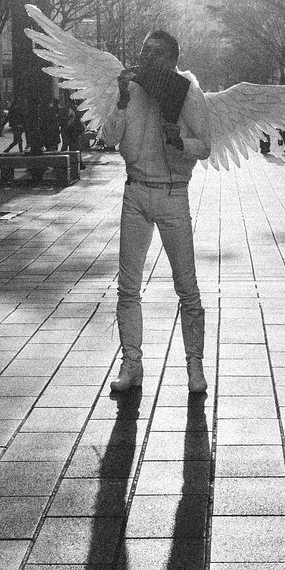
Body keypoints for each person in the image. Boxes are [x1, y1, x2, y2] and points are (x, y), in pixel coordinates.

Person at [98, 28, 212, 396]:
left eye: (156, 53)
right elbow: (108, 137)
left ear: (173, 60)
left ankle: (194, 364)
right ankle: (131, 363)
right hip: (135, 191)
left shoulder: (188, 93)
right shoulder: (130, 89)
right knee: (127, 287)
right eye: (144, 51)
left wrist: (180, 141)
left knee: (187, 287)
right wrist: (121, 99)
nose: (146, 58)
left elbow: (204, 146)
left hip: (173, 194)